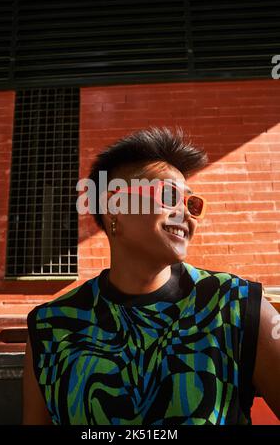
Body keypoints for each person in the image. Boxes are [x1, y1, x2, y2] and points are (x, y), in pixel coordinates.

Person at [23, 126, 280, 425]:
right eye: (169, 196)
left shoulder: (238, 305)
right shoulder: (50, 326)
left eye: (191, 204)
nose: (185, 215)